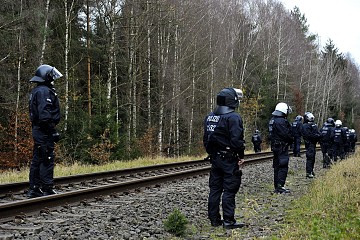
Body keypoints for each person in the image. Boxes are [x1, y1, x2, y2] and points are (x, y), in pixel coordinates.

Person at [203, 87, 245, 229]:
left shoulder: (209, 117)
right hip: (229, 159)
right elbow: (237, 141)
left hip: (215, 159)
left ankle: (214, 219)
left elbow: (206, 140)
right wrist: (240, 156)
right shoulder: (233, 117)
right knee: (229, 190)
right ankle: (228, 221)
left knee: (215, 189)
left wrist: (213, 153)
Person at [27, 64, 62, 198]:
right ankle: (43, 187)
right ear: (46, 76)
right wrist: (52, 130)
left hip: (40, 129)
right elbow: (44, 114)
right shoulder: (44, 92)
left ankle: (38, 187)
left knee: (40, 157)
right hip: (43, 130)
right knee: (45, 157)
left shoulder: (39, 90)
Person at [268, 102, 293, 194]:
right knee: (283, 166)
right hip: (282, 146)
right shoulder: (281, 121)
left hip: (275, 146)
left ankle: (277, 186)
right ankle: (280, 186)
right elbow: (286, 134)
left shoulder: (273, 120)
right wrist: (291, 139)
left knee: (277, 166)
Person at [301, 112, 321, 178]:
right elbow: (309, 135)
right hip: (309, 143)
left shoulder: (313, 125)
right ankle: (308, 172)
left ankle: (311, 170)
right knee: (310, 158)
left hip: (313, 143)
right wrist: (317, 136)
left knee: (312, 158)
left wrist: (319, 136)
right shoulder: (305, 126)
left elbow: (317, 132)